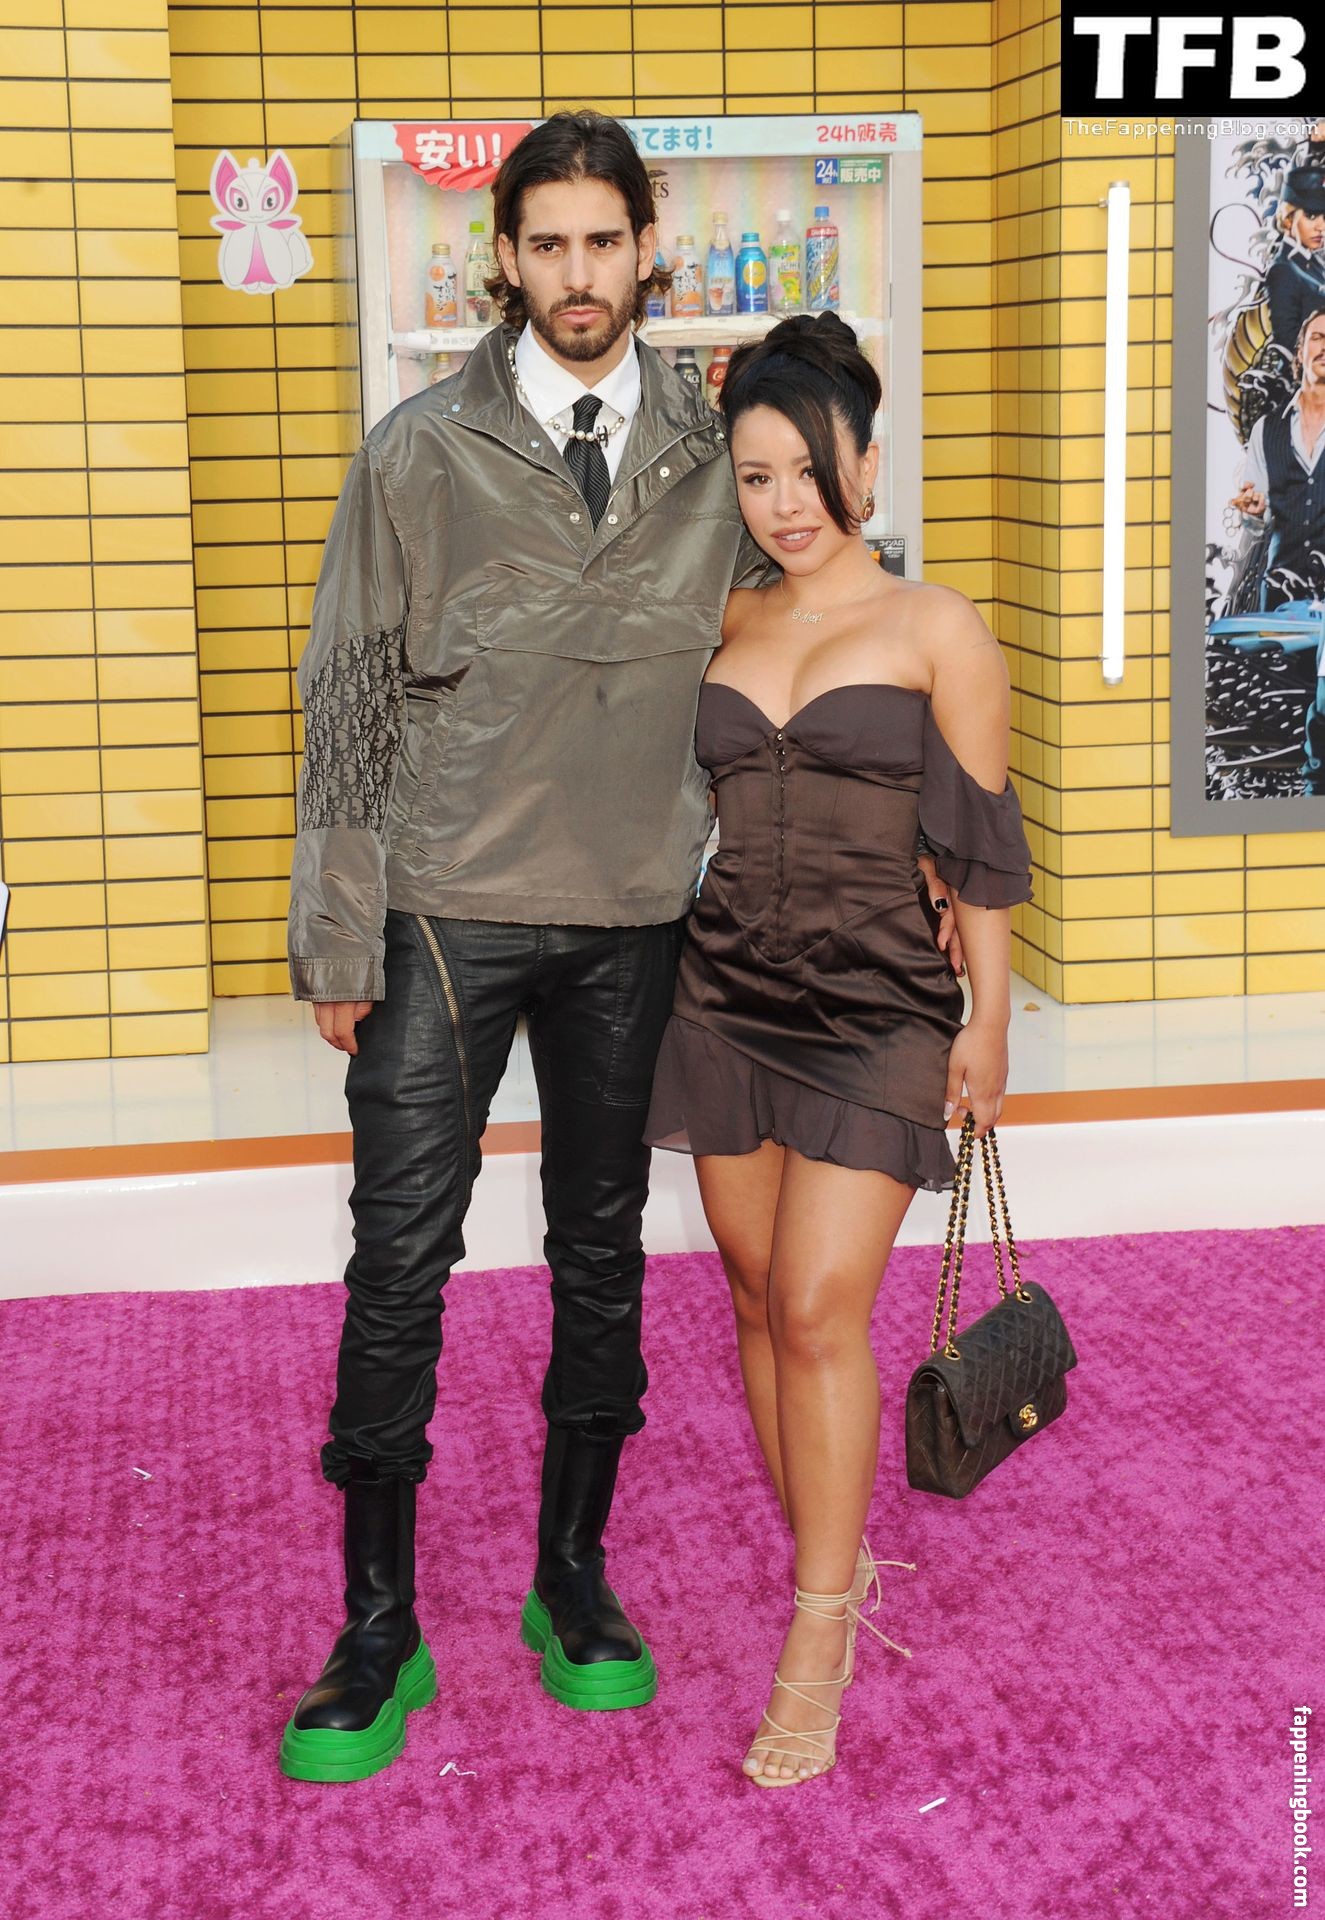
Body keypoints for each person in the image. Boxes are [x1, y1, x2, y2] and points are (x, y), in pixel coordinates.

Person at [277, 110, 783, 1783]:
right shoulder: (418, 448)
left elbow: (793, 649)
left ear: (648, 249)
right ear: (504, 257)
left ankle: (571, 1575)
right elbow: (350, 687)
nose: (577, 273)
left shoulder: (718, 452)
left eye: (602, 241)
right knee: (397, 1258)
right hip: (440, 908)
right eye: (546, 243)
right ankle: (377, 1623)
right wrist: (338, 927)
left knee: (599, 1251)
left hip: (634, 910)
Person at [644, 313, 1034, 1787]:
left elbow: (980, 846)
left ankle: (820, 1628)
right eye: (754, 477)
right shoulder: (722, 622)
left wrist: (986, 1017)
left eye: (808, 470)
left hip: (880, 1007)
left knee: (816, 1304)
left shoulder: (937, 628)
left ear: (865, 461)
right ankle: (832, 1540)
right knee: (755, 1295)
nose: (784, 502)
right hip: (723, 994)